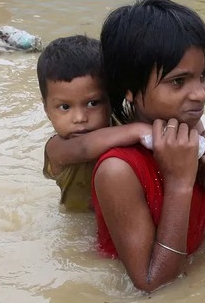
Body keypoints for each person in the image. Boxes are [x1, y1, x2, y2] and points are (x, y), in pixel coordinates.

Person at [92, 0, 205, 292]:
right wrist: (180, 182)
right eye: (178, 82)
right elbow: (152, 283)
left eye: (203, 75)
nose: (199, 94)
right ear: (130, 89)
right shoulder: (118, 170)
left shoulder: (190, 130)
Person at [38, 35, 152, 212]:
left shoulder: (121, 125)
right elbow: (84, 148)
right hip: (79, 222)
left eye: (92, 103)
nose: (80, 118)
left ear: (111, 99)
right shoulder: (56, 148)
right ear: (46, 109)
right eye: (65, 107)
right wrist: (138, 130)